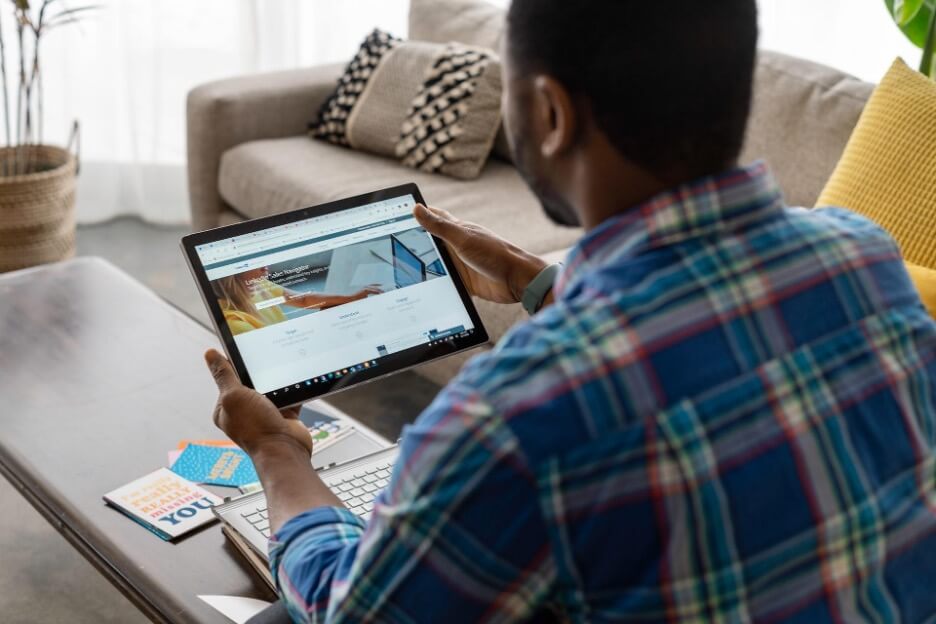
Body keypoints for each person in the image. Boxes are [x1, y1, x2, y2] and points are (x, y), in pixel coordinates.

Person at [203, 1, 936, 621]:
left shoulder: (517, 416)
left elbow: (353, 609)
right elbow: (696, 344)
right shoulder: (862, 258)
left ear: (549, 113)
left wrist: (277, 452)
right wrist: (538, 280)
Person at [212, 267, 382, 335]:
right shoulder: (235, 323)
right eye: (253, 263)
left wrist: (350, 298)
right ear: (232, 274)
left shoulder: (258, 285)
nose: (266, 267)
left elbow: (302, 299)